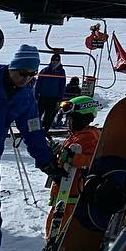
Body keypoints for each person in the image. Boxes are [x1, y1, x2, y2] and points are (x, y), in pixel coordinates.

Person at [0, 45, 61, 251]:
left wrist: (47, 162)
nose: (26, 79)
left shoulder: (24, 97)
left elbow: (33, 131)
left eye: (32, 74)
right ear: (12, 67)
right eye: (22, 73)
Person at [45, 95, 100, 239]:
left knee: (63, 227)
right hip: (64, 188)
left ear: (84, 117)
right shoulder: (76, 135)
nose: (68, 123)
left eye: (72, 119)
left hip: (73, 192)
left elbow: (91, 161)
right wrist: (57, 154)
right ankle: (51, 241)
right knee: (54, 222)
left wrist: (70, 157)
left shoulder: (90, 136)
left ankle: (57, 244)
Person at [35, 52, 66, 130]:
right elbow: (38, 83)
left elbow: (62, 86)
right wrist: (36, 93)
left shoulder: (61, 72)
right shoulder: (45, 70)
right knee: (37, 114)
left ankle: (45, 130)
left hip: (53, 98)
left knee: (49, 116)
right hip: (43, 96)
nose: (54, 62)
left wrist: (59, 99)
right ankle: (35, 129)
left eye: (56, 61)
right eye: (53, 60)